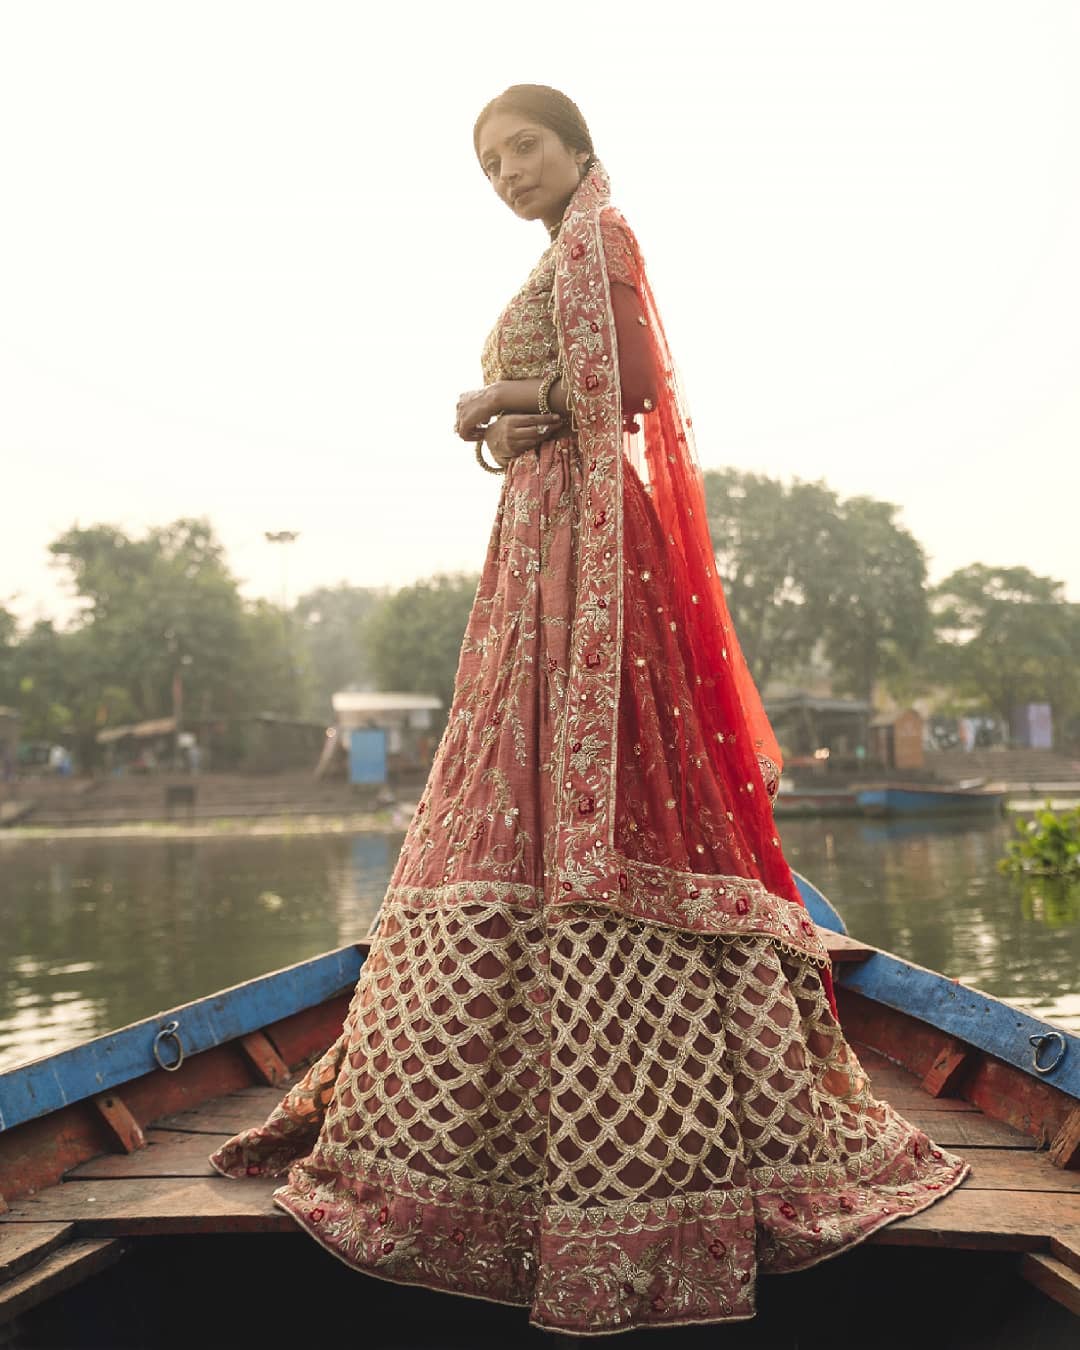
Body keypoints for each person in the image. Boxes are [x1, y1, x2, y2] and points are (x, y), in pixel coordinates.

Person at [209, 85, 969, 1337]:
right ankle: (490, 1144)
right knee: (515, 779)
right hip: (545, 534)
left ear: (576, 149)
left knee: (601, 787)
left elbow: (631, 379)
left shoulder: (601, 239)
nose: (507, 172)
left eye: (524, 149)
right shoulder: (558, 252)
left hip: (588, 545)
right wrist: (508, 422)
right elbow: (579, 387)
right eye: (489, 162)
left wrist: (494, 406)